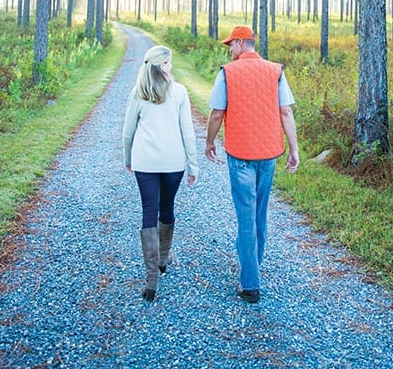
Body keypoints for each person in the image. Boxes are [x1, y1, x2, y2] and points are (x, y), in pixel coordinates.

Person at [205, 25, 299, 303]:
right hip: (268, 153)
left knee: (246, 215)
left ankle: (250, 283)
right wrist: (293, 149)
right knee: (260, 211)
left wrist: (209, 142)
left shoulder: (227, 72)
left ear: (241, 42)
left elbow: (216, 114)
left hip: (240, 154)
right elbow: (285, 111)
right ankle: (253, 263)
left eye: (231, 45)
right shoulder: (275, 71)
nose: (230, 50)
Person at [123, 44, 198, 302]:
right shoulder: (179, 92)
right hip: (173, 163)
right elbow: (187, 131)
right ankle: (163, 259)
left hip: (144, 162)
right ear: (162, 65)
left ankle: (151, 279)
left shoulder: (138, 93)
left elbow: (128, 131)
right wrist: (193, 165)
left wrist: (127, 157)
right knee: (166, 208)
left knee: (148, 212)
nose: (172, 65)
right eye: (170, 62)